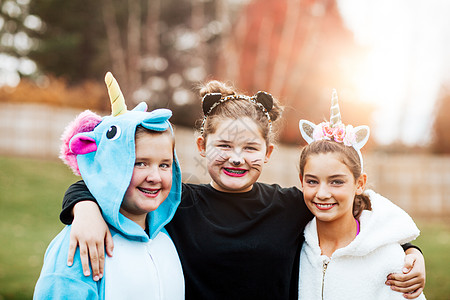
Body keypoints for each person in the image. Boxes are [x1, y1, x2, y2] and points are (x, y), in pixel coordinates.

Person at [59, 81, 425, 299]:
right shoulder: (177, 203)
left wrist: (410, 251)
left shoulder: (291, 204)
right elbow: (115, 184)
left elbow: (358, 212)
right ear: (202, 147)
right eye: (224, 146)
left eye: (250, 148)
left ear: (267, 153)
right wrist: (84, 208)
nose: (237, 158)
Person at [33, 72, 184, 299]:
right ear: (112, 166)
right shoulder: (81, 244)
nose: (155, 177)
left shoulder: (168, 236)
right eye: (140, 163)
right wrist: (83, 207)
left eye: (164, 165)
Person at [297, 90, 426, 299]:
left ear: (359, 184)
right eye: (312, 181)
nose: (322, 193)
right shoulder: (292, 243)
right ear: (301, 181)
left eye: (336, 181)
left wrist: (413, 252)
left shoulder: (390, 259)